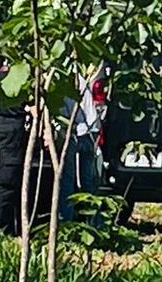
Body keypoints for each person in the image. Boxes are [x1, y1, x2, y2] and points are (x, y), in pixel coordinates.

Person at [0, 59, 31, 235]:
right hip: (12, 129)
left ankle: (7, 226)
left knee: (8, 179)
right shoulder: (19, 79)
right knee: (7, 181)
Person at [58, 74, 100, 222]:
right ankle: (93, 220)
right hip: (89, 129)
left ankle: (66, 219)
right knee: (87, 180)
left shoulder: (64, 81)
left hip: (78, 132)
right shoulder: (78, 79)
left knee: (68, 179)